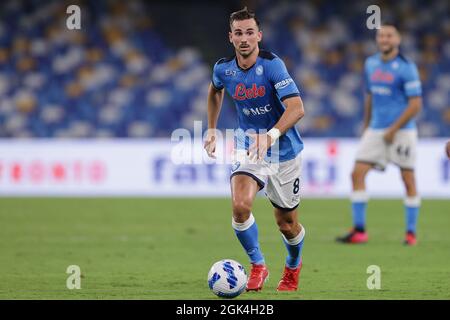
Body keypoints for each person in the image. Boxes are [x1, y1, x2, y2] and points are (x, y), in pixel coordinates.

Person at [204, 7, 306, 291]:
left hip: (283, 150)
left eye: (250, 32)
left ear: (259, 35)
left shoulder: (273, 65)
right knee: (240, 206)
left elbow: (297, 108)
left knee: (287, 225)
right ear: (231, 37)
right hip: (248, 146)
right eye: (239, 33)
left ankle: (293, 266)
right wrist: (212, 129)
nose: (244, 38)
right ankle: (258, 265)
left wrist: (270, 136)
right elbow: (215, 90)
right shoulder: (223, 69)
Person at [336, 23, 423, 246]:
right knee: (357, 174)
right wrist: (366, 126)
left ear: (397, 40)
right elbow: (370, 97)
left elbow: (415, 105)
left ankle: (411, 233)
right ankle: (359, 230)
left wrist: (393, 129)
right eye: (381, 36)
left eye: (389, 36)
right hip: (375, 129)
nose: (384, 39)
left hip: (402, 131)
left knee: (408, 179)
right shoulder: (370, 63)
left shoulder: (406, 67)